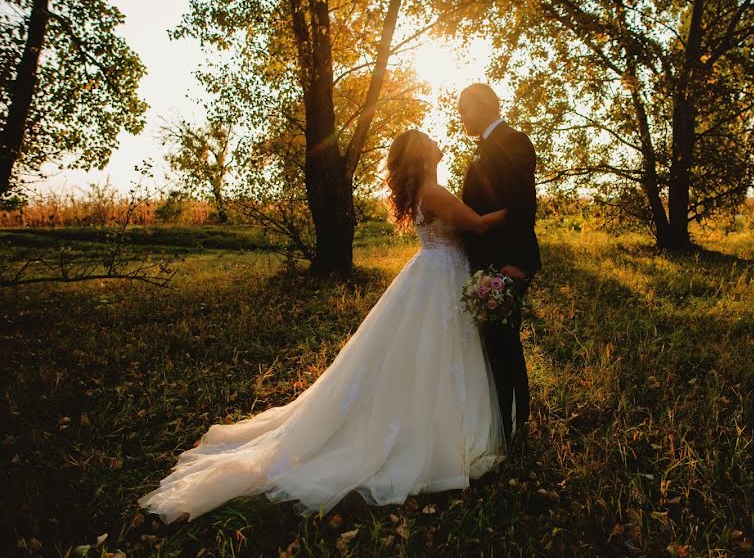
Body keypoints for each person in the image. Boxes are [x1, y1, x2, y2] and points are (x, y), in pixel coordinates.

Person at [139, 129, 509, 524]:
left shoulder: (425, 190)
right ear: (422, 154)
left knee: (426, 354)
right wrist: (519, 207)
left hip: (433, 275)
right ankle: (435, 435)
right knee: (435, 351)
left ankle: (434, 425)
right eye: (429, 142)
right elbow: (479, 225)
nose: (439, 144)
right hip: (440, 278)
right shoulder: (433, 191)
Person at [459, 83, 541, 444]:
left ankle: (515, 426)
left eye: (464, 109)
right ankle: (502, 423)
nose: (461, 117)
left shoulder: (513, 141)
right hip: (487, 264)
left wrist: (516, 264)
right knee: (495, 344)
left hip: (506, 265)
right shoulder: (485, 146)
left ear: (484, 106)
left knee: (505, 343)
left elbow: (523, 207)